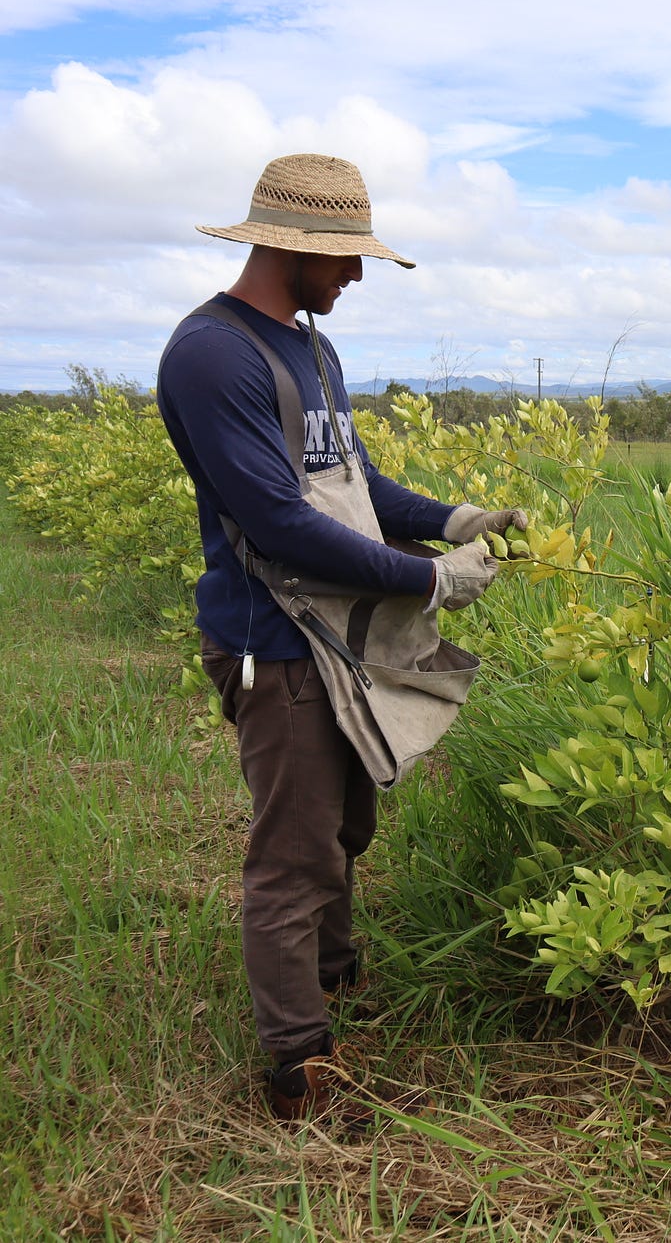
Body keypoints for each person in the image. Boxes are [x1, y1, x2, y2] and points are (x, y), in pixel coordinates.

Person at [157, 153, 520, 1118]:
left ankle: (335, 976)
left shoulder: (313, 350)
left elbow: (353, 482)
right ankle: (300, 1066)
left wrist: (455, 519)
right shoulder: (212, 355)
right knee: (294, 854)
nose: (356, 275)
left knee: (346, 824)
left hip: (337, 634)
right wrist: (431, 581)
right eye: (345, 258)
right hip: (273, 638)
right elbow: (279, 522)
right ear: (291, 245)